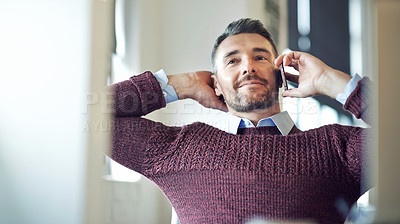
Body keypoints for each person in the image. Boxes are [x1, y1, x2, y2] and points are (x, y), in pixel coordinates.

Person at [110, 18, 370, 224]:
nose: (248, 67)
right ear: (216, 85)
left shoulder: (337, 149)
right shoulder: (180, 148)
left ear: (281, 75)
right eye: (233, 60)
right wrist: (182, 84)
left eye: (260, 57)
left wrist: (332, 81)